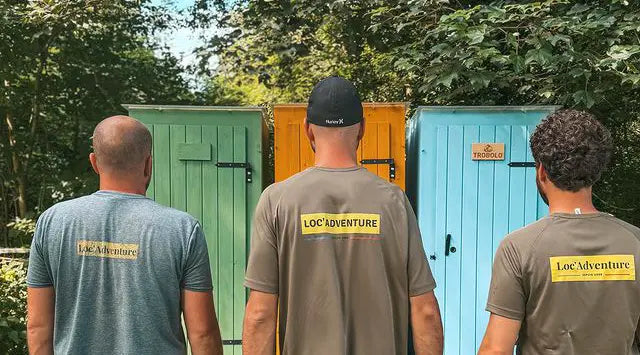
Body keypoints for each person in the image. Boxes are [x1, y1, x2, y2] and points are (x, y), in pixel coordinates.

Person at [242, 76, 444, 355]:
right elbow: (425, 311)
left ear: (307, 130)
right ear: (362, 129)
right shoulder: (394, 201)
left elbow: (260, 315)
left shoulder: (277, 201)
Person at [26, 116, 223, 354]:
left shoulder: (52, 222)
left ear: (94, 162)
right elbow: (202, 334)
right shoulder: (183, 230)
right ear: (149, 164)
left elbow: (38, 327)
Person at [478, 109, 640, 355]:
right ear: (595, 172)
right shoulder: (635, 241)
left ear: (542, 171)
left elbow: (496, 349)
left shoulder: (518, 248)